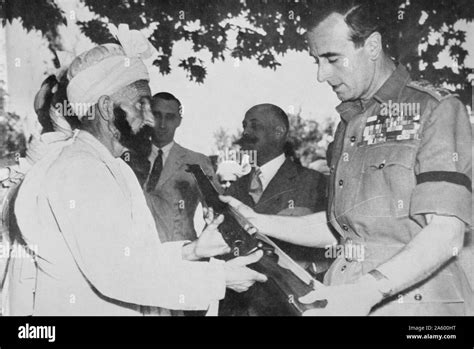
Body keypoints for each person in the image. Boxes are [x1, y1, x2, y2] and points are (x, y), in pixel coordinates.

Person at [222, 0, 472, 316]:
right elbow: (343, 228)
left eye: (332, 59)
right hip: (344, 297)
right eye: (316, 60)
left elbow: (446, 232)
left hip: (416, 309)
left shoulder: (435, 109)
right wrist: (256, 222)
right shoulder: (351, 121)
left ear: (372, 46)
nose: (320, 74)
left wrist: (366, 292)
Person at [5, 39, 266, 316]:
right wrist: (219, 278)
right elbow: (116, 273)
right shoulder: (79, 169)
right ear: (106, 107)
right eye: (141, 106)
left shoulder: (112, 165)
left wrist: (192, 251)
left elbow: (131, 256)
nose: (151, 120)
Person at [220, 103, 328, 316]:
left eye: (254, 126)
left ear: (279, 132)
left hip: (291, 307)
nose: (245, 132)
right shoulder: (232, 190)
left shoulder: (315, 183)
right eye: (244, 126)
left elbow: (332, 241)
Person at [142, 92, 220, 243]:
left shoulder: (197, 162)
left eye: (170, 117)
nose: (163, 124)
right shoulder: (130, 159)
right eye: (157, 115)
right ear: (147, 116)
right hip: (140, 253)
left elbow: (218, 211)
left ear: (179, 121)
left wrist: (200, 246)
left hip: (181, 255)